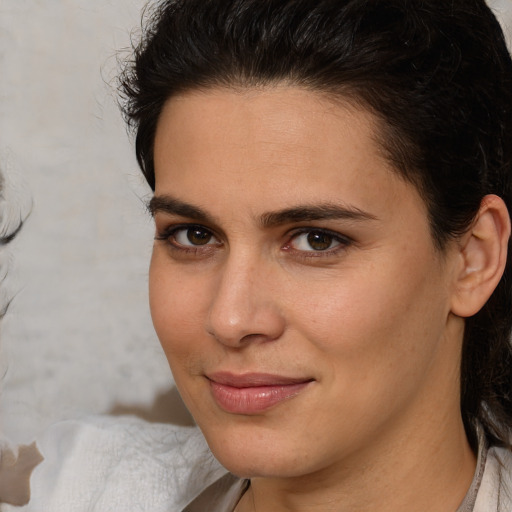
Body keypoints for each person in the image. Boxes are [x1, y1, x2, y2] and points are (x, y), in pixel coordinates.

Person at [20, 1, 512, 511]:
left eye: (315, 240)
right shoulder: (69, 489)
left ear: (473, 259)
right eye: (193, 235)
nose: (229, 319)